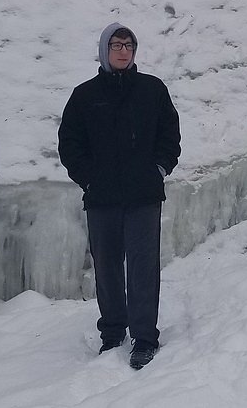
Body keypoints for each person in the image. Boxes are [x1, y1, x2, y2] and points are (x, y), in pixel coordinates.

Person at [58, 23, 181, 370]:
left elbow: (169, 135)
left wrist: (159, 169)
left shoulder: (152, 89)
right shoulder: (84, 95)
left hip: (143, 194)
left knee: (143, 267)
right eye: (116, 45)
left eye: (129, 45)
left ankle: (144, 338)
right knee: (107, 267)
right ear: (104, 50)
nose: (123, 51)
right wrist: (88, 179)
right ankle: (112, 331)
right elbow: (70, 144)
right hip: (102, 197)